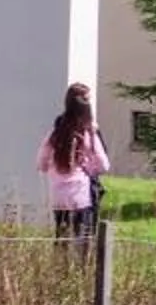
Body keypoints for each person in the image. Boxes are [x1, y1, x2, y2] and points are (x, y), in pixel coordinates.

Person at [37, 83, 110, 244]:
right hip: (80, 195)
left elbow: (41, 162)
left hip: (58, 196)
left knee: (62, 239)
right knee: (83, 241)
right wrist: (90, 169)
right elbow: (104, 165)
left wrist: (54, 168)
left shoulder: (56, 132)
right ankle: (82, 268)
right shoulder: (87, 132)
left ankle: (61, 267)